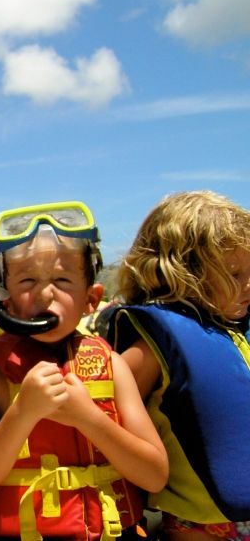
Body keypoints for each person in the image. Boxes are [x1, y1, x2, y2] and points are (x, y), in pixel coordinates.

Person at [0, 201, 168, 541]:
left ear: (91, 298)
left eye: (62, 279)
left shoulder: (111, 363)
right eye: (27, 280)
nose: (45, 294)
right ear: (4, 299)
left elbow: (155, 476)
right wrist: (22, 412)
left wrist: (89, 418)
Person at [107, 190, 250, 541]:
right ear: (182, 273)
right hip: (199, 530)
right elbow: (107, 422)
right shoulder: (151, 348)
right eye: (233, 275)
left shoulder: (238, 333)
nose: (248, 285)